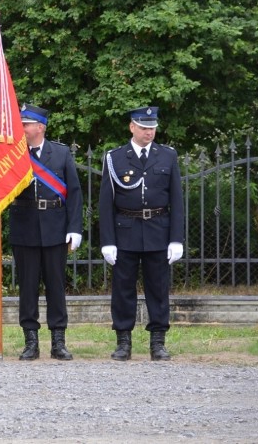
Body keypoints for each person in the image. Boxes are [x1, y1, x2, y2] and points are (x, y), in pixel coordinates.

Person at [99, 106, 184, 361]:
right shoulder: (115, 157)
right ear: (132, 127)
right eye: (145, 127)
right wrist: (108, 241)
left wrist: (176, 238)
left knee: (158, 289)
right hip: (125, 231)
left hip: (158, 230)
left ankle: (158, 342)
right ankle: (123, 341)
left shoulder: (167, 156)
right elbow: (106, 203)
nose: (150, 132)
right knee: (123, 290)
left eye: (153, 127)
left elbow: (176, 201)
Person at [8, 104, 82, 361]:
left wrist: (74, 228)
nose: (23, 128)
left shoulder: (60, 154)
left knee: (55, 286)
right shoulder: (13, 155)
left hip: (55, 227)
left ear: (41, 127)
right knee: (27, 288)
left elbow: (74, 193)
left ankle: (58, 341)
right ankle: (31, 342)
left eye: (26, 124)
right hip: (24, 226)